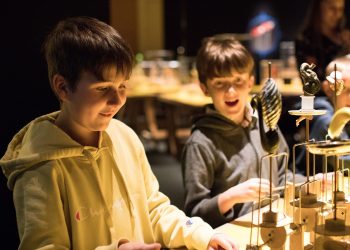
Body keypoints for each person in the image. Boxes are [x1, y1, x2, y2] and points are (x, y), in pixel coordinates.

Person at [0, 17, 239, 250]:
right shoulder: (40, 168)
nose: (117, 101)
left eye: (122, 86)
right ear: (63, 87)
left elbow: (154, 209)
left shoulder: (125, 136)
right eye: (103, 88)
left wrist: (201, 235)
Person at [181, 35, 306, 228]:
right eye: (220, 83)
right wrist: (231, 197)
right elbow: (194, 215)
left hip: (272, 226)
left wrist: (311, 182)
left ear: (250, 81)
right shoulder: (200, 143)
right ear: (205, 88)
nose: (231, 91)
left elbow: (282, 178)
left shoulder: (265, 122)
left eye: (238, 81)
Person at [295, 55, 350, 174]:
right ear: (328, 89)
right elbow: (344, 162)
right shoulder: (327, 121)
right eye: (346, 89)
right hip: (309, 184)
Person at [295, 0, 350, 89]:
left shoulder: (345, 37)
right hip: (324, 96)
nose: (337, 14)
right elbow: (311, 85)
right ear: (319, 8)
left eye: (340, 9)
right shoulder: (305, 40)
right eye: (332, 8)